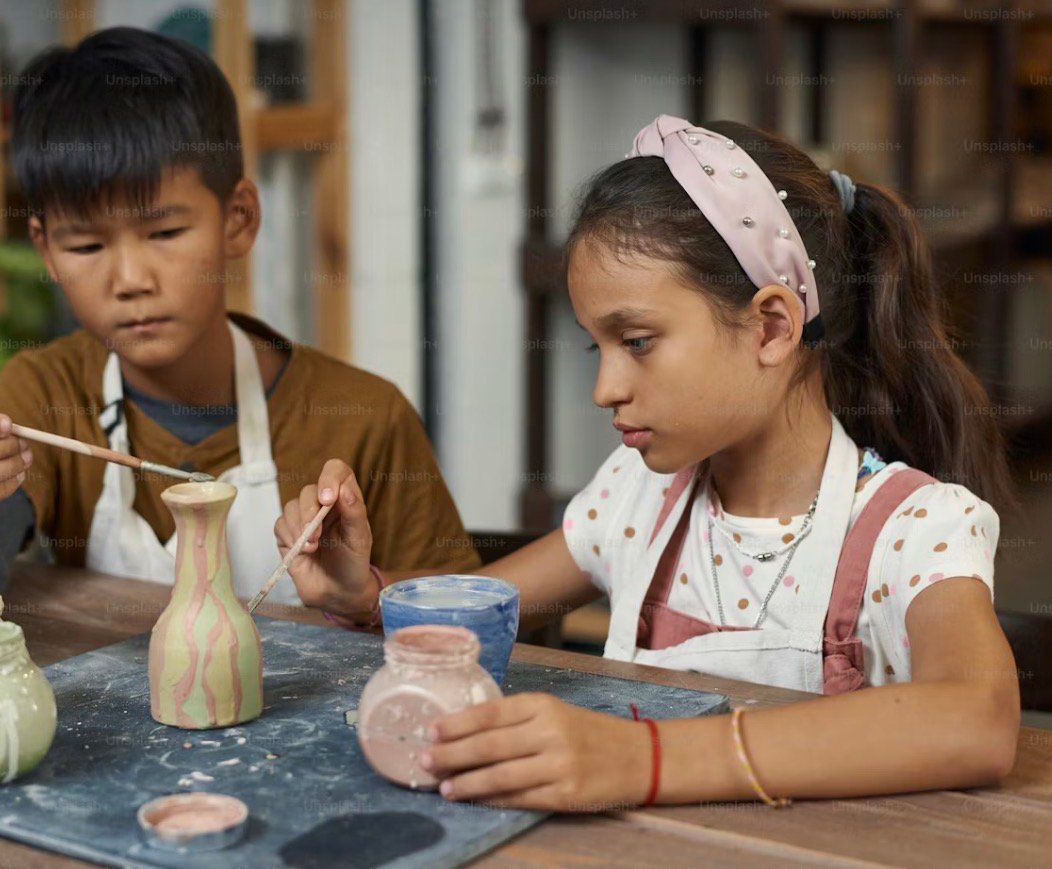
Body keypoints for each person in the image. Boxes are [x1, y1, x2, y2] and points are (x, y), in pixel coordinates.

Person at [274, 116, 1020, 811]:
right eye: (593, 347)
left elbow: (976, 720)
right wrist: (366, 592)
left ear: (770, 326)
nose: (605, 387)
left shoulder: (911, 529)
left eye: (635, 341)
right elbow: (481, 603)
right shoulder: (639, 496)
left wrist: (642, 759)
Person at [0, 27, 478, 604]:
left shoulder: (361, 419)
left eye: (165, 233)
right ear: (46, 251)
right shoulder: (48, 399)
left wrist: (365, 599)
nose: (131, 281)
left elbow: (467, 619)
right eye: (87, 247)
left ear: (238, 219)